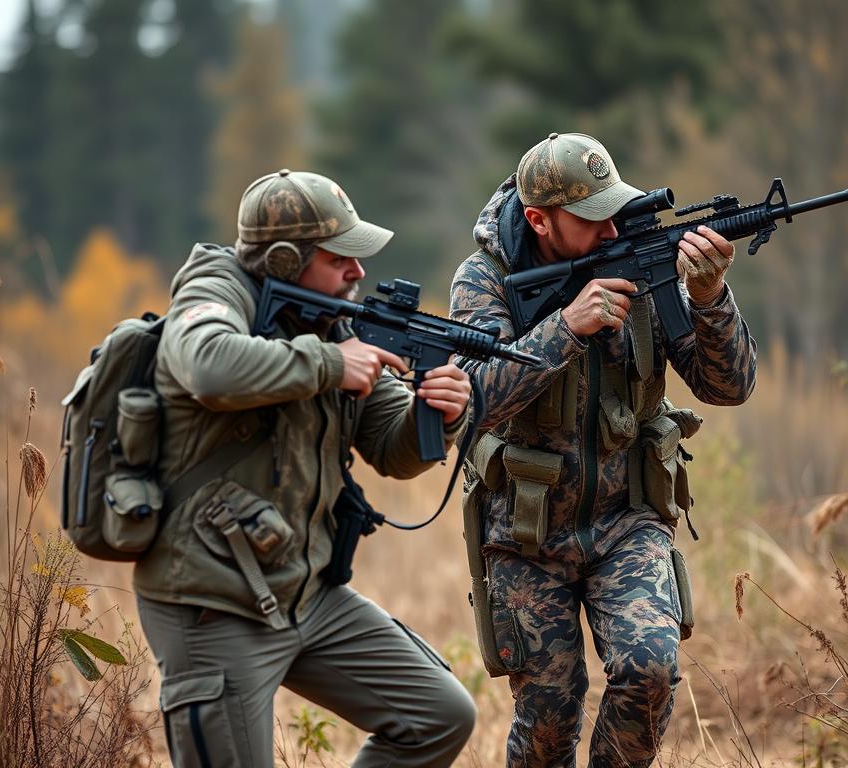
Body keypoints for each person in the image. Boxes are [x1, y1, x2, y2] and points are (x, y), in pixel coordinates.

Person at [133, 169, 477, 767]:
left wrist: (440, 412)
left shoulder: (332, 318)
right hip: (213, 600)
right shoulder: (217, 287)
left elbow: (393, 449)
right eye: (341, 256)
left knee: (439, 715)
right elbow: (207, 366)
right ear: (289, 259)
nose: (357, 272)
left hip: (304, 590)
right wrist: (327, 363)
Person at [449, 133, 757, 766]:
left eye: (615, 208)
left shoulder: (640, 258)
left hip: (627, 519)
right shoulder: (486, 280)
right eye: (592, 218)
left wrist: (709, 298)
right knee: (549, 717)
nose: (612, 228)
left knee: (650, 670)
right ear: (539, 220)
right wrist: (563, 329)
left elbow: (728, 387)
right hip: (526, 532)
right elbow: (470, 401)